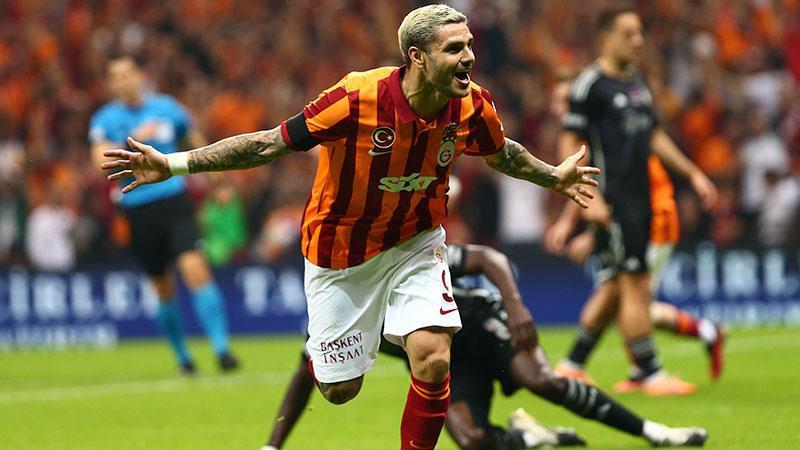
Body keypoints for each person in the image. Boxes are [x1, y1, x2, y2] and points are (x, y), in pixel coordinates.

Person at [101, 5, 601, 449]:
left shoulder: (472, 105)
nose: (468, 57)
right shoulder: (356, 97)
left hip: (415, 242)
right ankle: (342, 342)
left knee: (432, 356)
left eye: (469, 45)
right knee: (339, 390)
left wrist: (552, 176)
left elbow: (501, 152)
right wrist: (175, 164)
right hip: (339, 252)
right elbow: (268, 144)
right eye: (454, 49)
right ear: (417, 57)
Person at [262, 244, 708, 449]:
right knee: (472, 440)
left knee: (544, 382)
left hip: (481, 324)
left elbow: (487, 258)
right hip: (451, 366)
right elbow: (305, 373)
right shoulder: (340, 321)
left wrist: (515, 306)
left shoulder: (400, 262)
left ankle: (654, 432)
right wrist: (273, 447)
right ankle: (531, 438)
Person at [550, 6, 719, 397]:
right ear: (606, 38)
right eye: (629, 34)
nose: (638, 41)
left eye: (640, 33)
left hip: (639, 200)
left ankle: (575, 365)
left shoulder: (636, 83)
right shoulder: (590, 84)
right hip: (613, 201)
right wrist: (588, 198)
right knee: (632, 285)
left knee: (621, 285)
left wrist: (692, 173)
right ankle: (648, 372)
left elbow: (653, 136)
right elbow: (568, 142)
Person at [90, 55, 239, 375]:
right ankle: (183, 357)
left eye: (128, 73)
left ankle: (222, 350)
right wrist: (132, 139)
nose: (124, 80)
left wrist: (217, 181)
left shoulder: (167, 108)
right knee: (162, 286)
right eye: (117, 76)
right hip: (137, 209)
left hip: (174, 201)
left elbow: (194, 138)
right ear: (110, 85)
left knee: (195, 270)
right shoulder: (106, 119)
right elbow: (98, 160)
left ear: (140, 75)